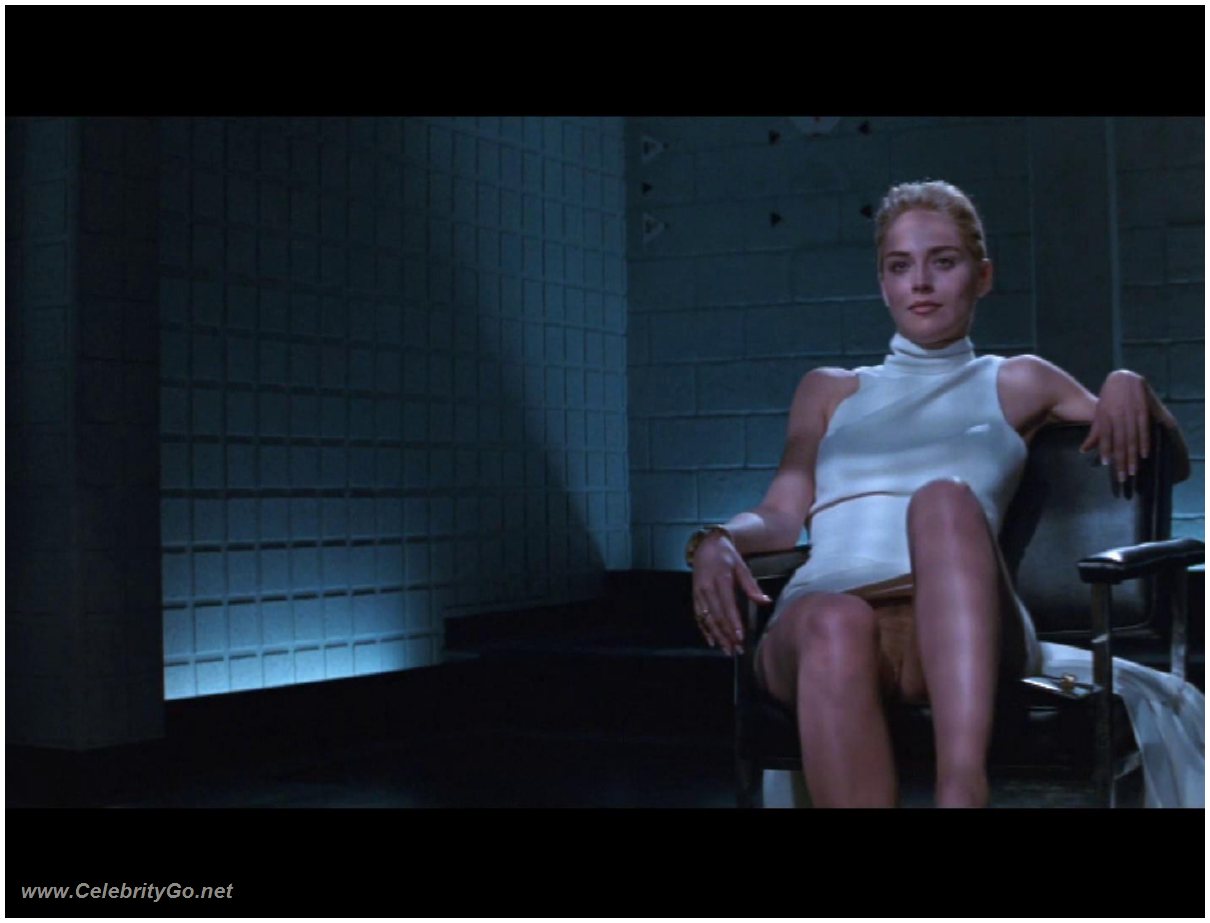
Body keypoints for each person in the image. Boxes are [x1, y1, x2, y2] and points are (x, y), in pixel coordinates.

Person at [687, 179, 1195, 808]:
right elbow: (781, 513)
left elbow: (1166, 465)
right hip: (828, 615)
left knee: (944, 500)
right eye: (900, 266)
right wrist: (716, 539)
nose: (921, 283)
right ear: (883, 284)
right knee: (835, 621)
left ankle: (962, 790)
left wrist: (1130, 385)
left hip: (960, 625)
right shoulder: (829, 389)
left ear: (983, 276)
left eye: (943, 262)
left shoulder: (1019, 380)